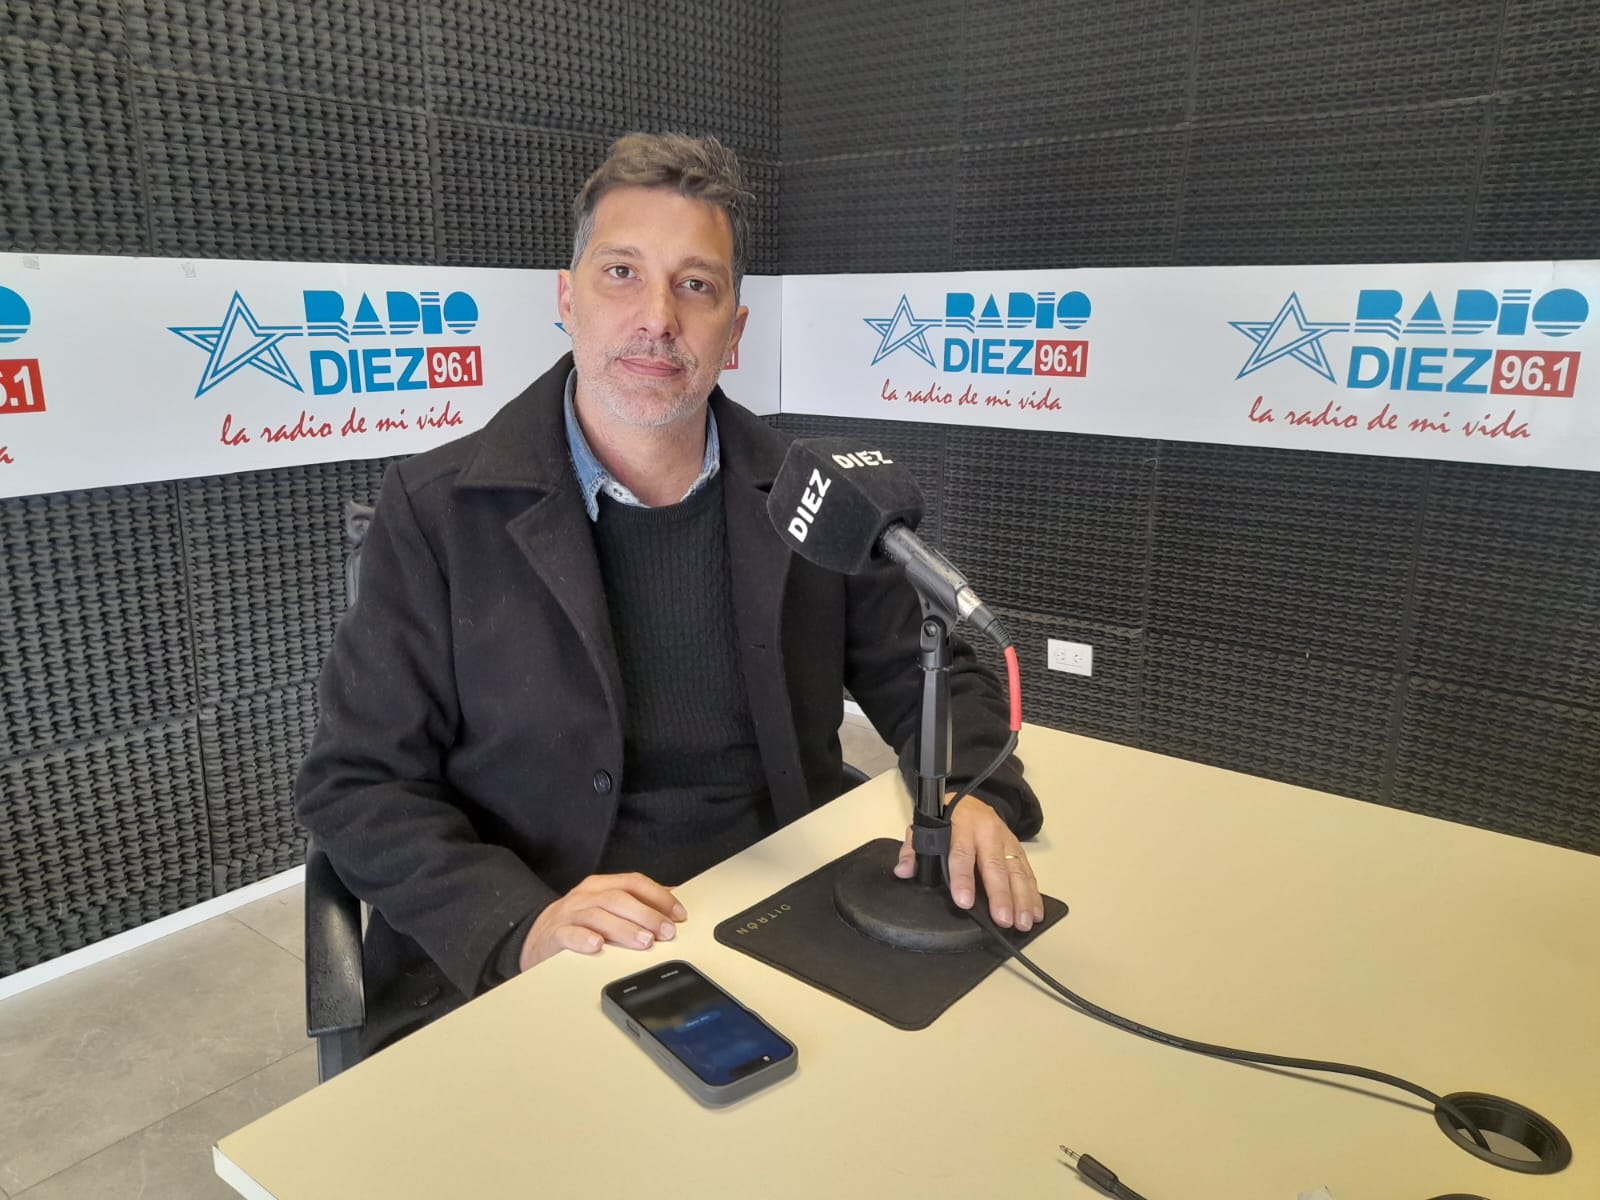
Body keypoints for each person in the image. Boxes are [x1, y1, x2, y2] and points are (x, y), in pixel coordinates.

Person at [296, 132, 1043, 1054]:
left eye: (696, 285)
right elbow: (357, 783)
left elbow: (926, 671)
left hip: (776, 916)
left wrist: (970, 791)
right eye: (621, 273)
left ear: (735, 328)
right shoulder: (436, 510)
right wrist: (517, 924)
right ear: (566, 300)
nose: (657, 318)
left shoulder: (809, 494)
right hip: (545, 942)